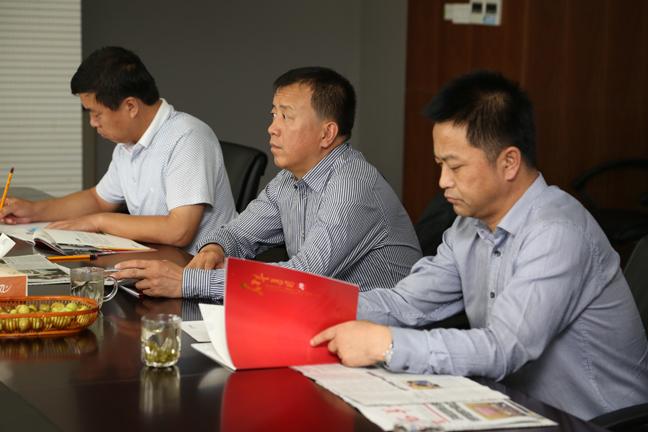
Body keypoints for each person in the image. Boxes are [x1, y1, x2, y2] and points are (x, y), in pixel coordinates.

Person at [311, 70, 648, 420]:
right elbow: (406, 302)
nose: (443, 181)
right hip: (516, 409)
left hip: (594, 421)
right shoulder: (468, 226)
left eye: (455, 167)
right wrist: (313, 307)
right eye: (440, 164)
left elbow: (503, 348)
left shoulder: (557, 233)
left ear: (509, 162)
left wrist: (387, 344)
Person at [113, 66, 422, 300]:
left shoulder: (352, 186)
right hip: (323, 314)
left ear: (326, 134)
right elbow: (237, 234)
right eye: (274, 115)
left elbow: (303, 276)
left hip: (382, 334)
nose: (272, 128)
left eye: (286, 117)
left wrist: (188, 282)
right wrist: (214, 248)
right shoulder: (288, 180)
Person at [0, 46, 236, 255]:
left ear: (130, 106)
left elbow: (179, 230)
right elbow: (97, 200)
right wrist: (32, 211)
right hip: (157, 259)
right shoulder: (127, 144)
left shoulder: (187, 138)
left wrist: (97, 222)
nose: (93, 123)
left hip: (201, 271)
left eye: (97, 114)